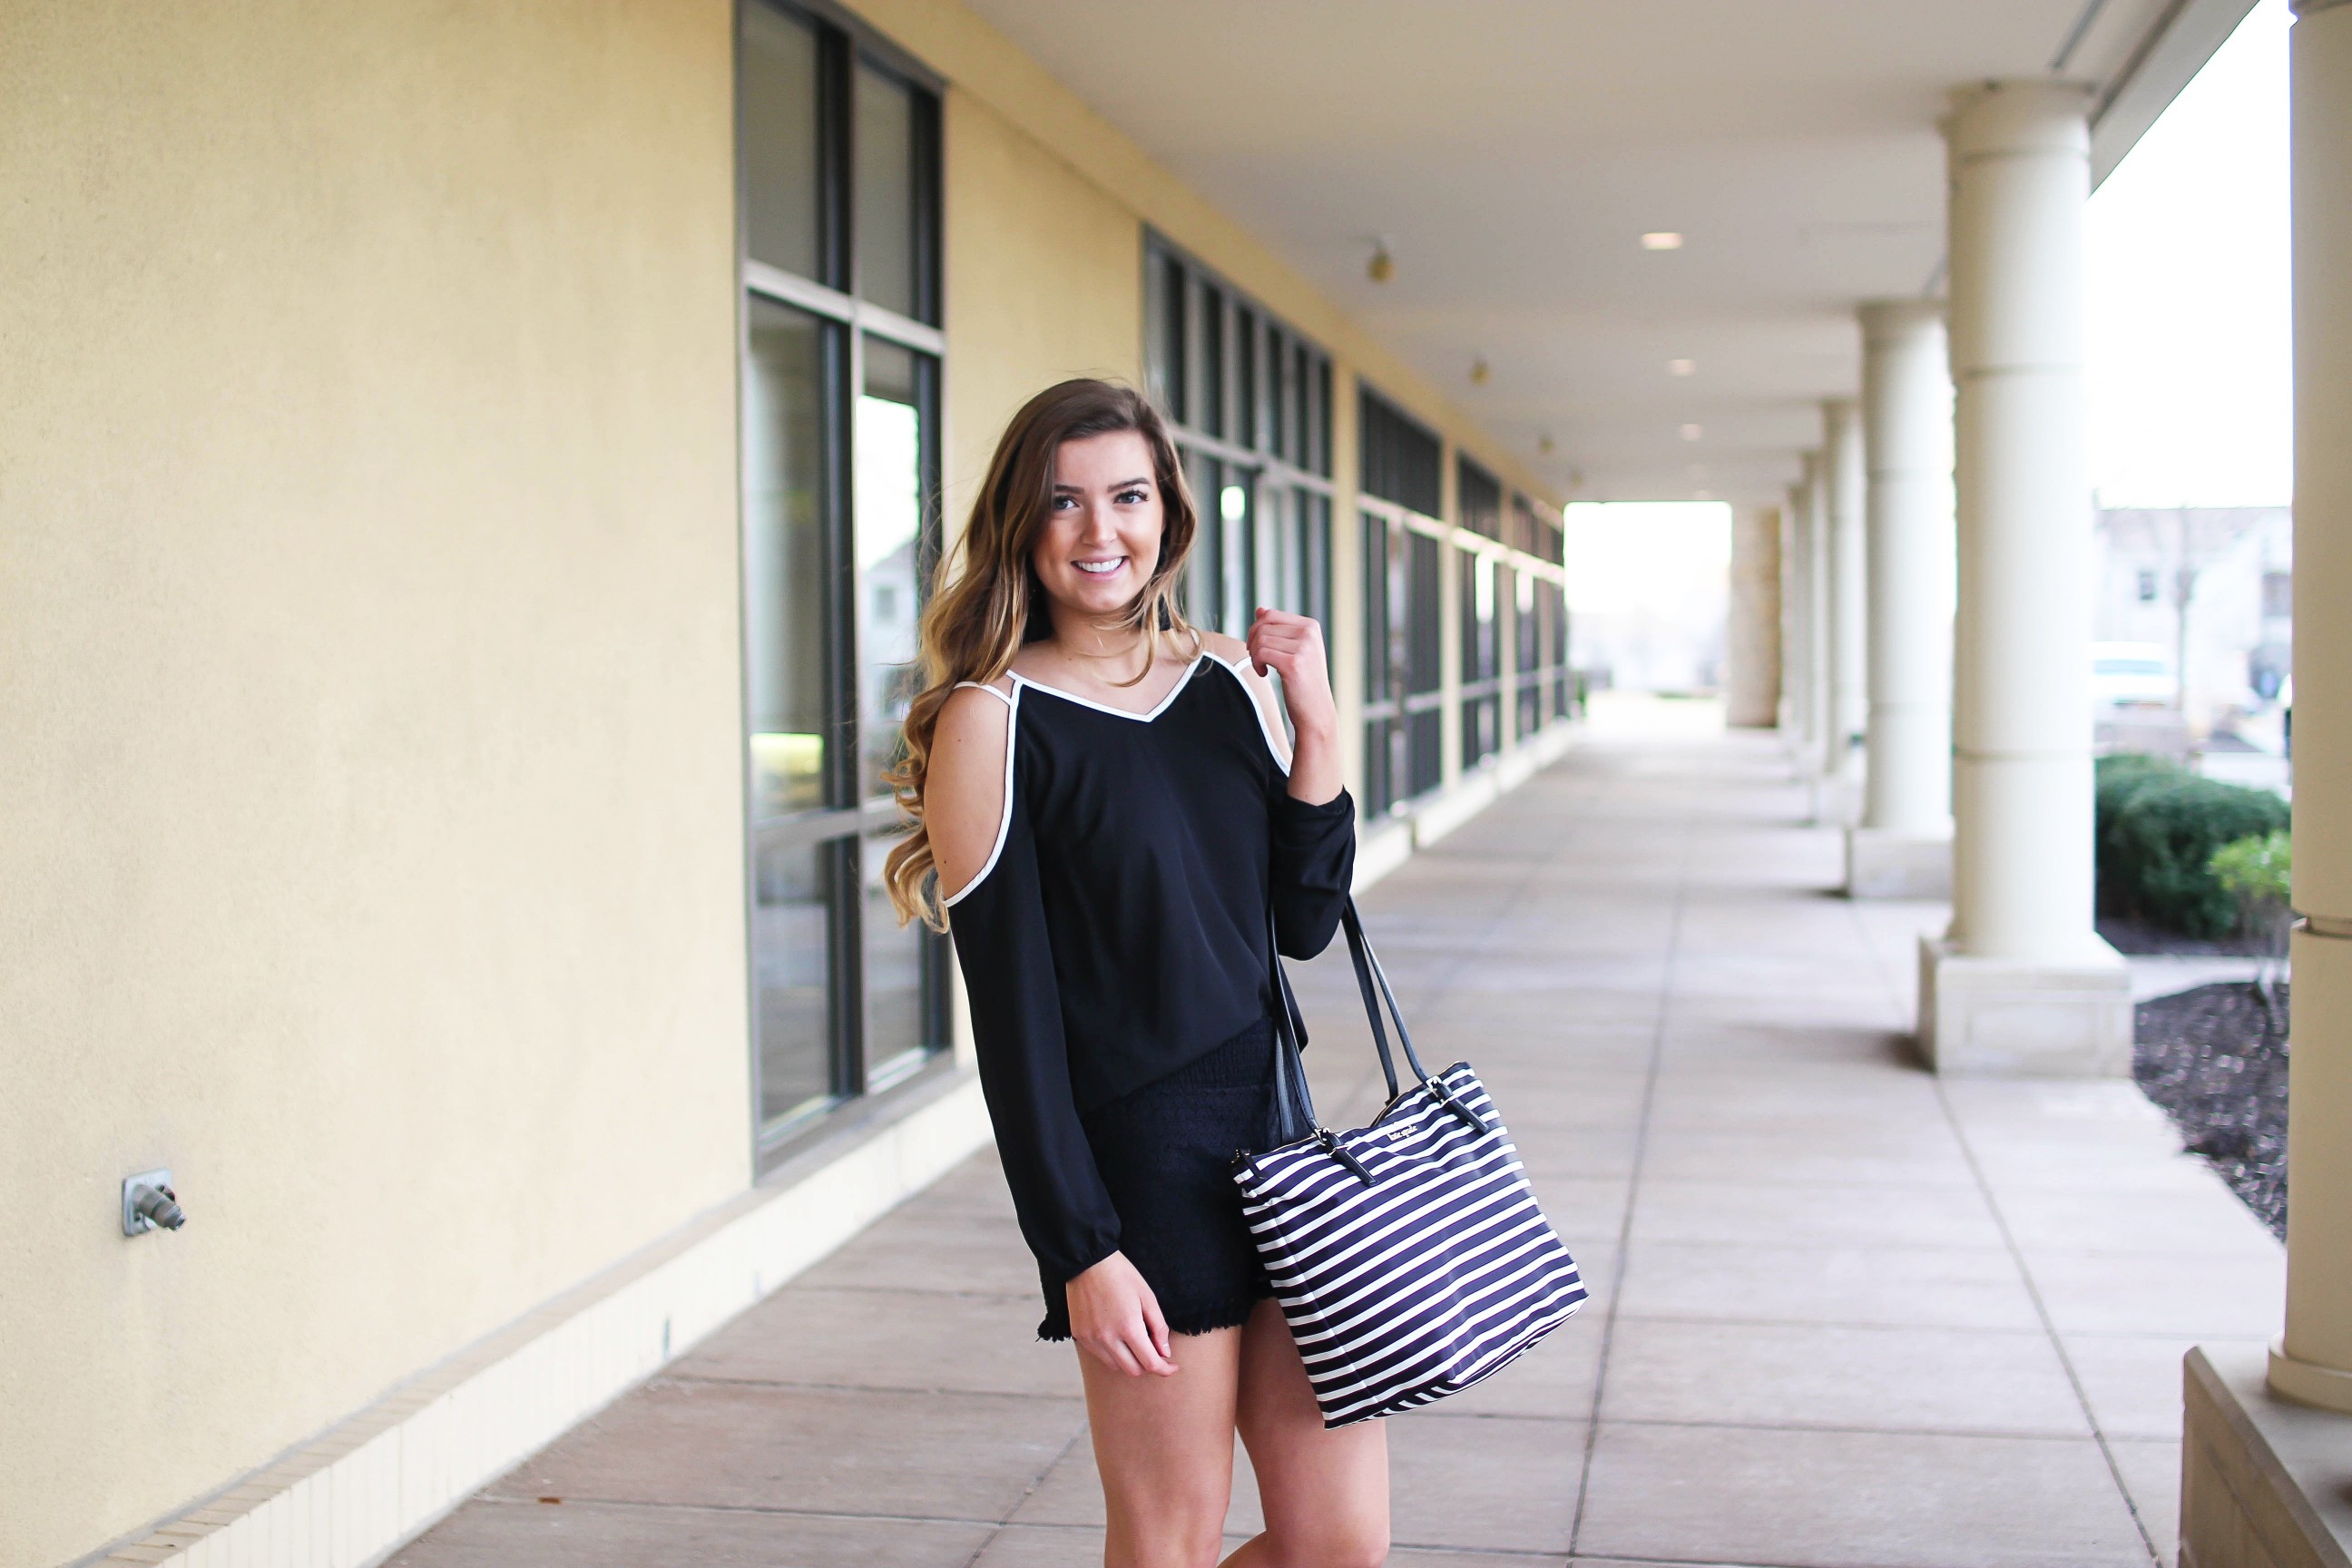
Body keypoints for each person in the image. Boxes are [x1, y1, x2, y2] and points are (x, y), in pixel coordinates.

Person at [882, 379, 1386, 1568]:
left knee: (1340, 1543)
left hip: (1285, 1148)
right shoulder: (992, 721)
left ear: (1168, 513)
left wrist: (1314, 729)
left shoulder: (1224, 680)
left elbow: (1303, 923)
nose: (1099, 531)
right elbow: (1015, 1031)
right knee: (1168, 1539)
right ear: (1022, 522)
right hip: (1144, 1182)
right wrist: (1080, 1252)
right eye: (1063, 501)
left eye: (1127, 496)